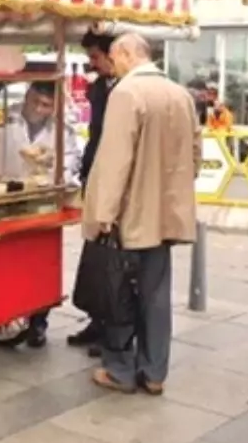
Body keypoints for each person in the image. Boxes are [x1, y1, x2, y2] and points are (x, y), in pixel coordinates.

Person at [85, 33, 199, 395]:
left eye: (115, 57)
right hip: (166, 214)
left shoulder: (126, 94)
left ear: (126, 54)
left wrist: (104, 211)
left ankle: (119, 369)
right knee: (156, 292)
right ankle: (154, 373)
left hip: (130, 215)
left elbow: (115, 160)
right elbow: (195, 153)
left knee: (118, 291)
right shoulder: (180, 95)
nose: (112, 65)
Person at [0, 80, 80, 347]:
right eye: (35, 101)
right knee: (1, 264)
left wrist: (54, 166)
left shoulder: (63, 129)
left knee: (39, 266)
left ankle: (38, 322)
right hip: (2, 199)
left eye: (47, 106)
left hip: (41, 203)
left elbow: (71, 163)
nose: (40, 109)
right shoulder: (5, 117)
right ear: (27, 96)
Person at [69, 31, 116, 357]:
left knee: (112, 260)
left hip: (112, 179)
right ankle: (96, 319)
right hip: (93, 173)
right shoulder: (98, 87)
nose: (91, 63)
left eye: (96, 57)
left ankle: (112, 328)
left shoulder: (126, 91)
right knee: (94, 256)